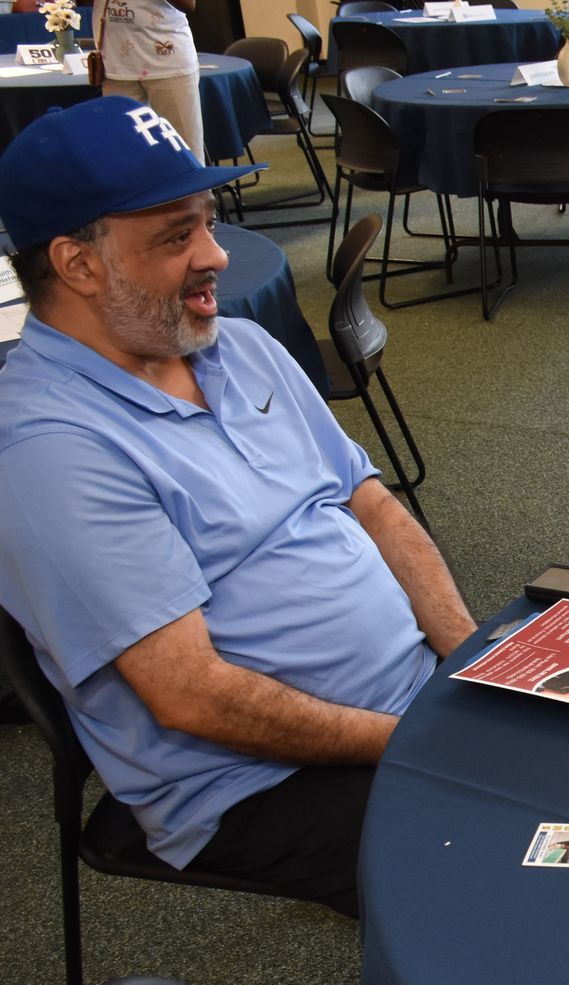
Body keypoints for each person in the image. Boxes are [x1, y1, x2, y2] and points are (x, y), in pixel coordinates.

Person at [0, 98, 477, 917]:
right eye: (175, 236)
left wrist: (474, 667)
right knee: (542, 864)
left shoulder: (234, 345)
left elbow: (373, 506)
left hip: (414, 698)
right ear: (77, 265)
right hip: (256, 781)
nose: (215, 256)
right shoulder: (48, 449)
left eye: (208, 223)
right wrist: (424, 743)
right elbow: (191, 695)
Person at [99, 0, 205, 161]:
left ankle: (197, 188)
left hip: (168, 60)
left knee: (185, 150)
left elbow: (189, 5)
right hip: (116, 64)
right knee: (125, 150)